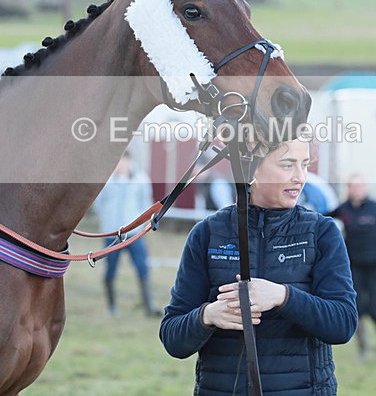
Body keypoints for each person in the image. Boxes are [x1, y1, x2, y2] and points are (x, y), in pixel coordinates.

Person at [160, 138, 357, 395]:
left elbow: (342, 324)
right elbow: (173, 339)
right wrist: (207, 316)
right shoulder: (207, 233)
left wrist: (282, 296)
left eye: (305, 165)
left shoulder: (322, 232)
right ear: (250, 168)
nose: (300, 177)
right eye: (288, 165)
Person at [329, 174, 376, 358]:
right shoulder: (344, 209)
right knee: (356, 307)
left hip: (375, 266)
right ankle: (362, 348)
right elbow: (323, 217)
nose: (356, 190)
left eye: (360, 186)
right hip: (353, 267)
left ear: (365, 188)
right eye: (353, 186)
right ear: (348, 189)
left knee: (374, 308)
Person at [92, 151, 161, 317]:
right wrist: (107, 222)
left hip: (133, 234)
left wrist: (142, 225)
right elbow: (98, 203)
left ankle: (148, 305)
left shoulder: (141, 179)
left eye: (124, 162)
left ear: (129, 162)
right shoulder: (107, 181)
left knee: (142, 267)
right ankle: (112, 306)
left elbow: (145, 202)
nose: (121, 166)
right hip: (112, 234)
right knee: (110, 269)